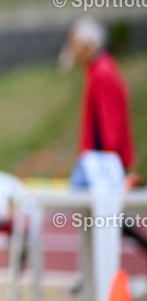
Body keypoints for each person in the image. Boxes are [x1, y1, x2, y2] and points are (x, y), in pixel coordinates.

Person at [59, 18, 147, 261]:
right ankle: (93, 273)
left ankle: (101, 274)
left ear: (87, 45)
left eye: (75, 45)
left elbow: (111, 124)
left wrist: (108, 162)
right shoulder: (97, 70)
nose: (72, 50)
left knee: (108, 219)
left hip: (104, 162)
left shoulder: (102, 72)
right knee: (106, 221)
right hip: (102, 159)